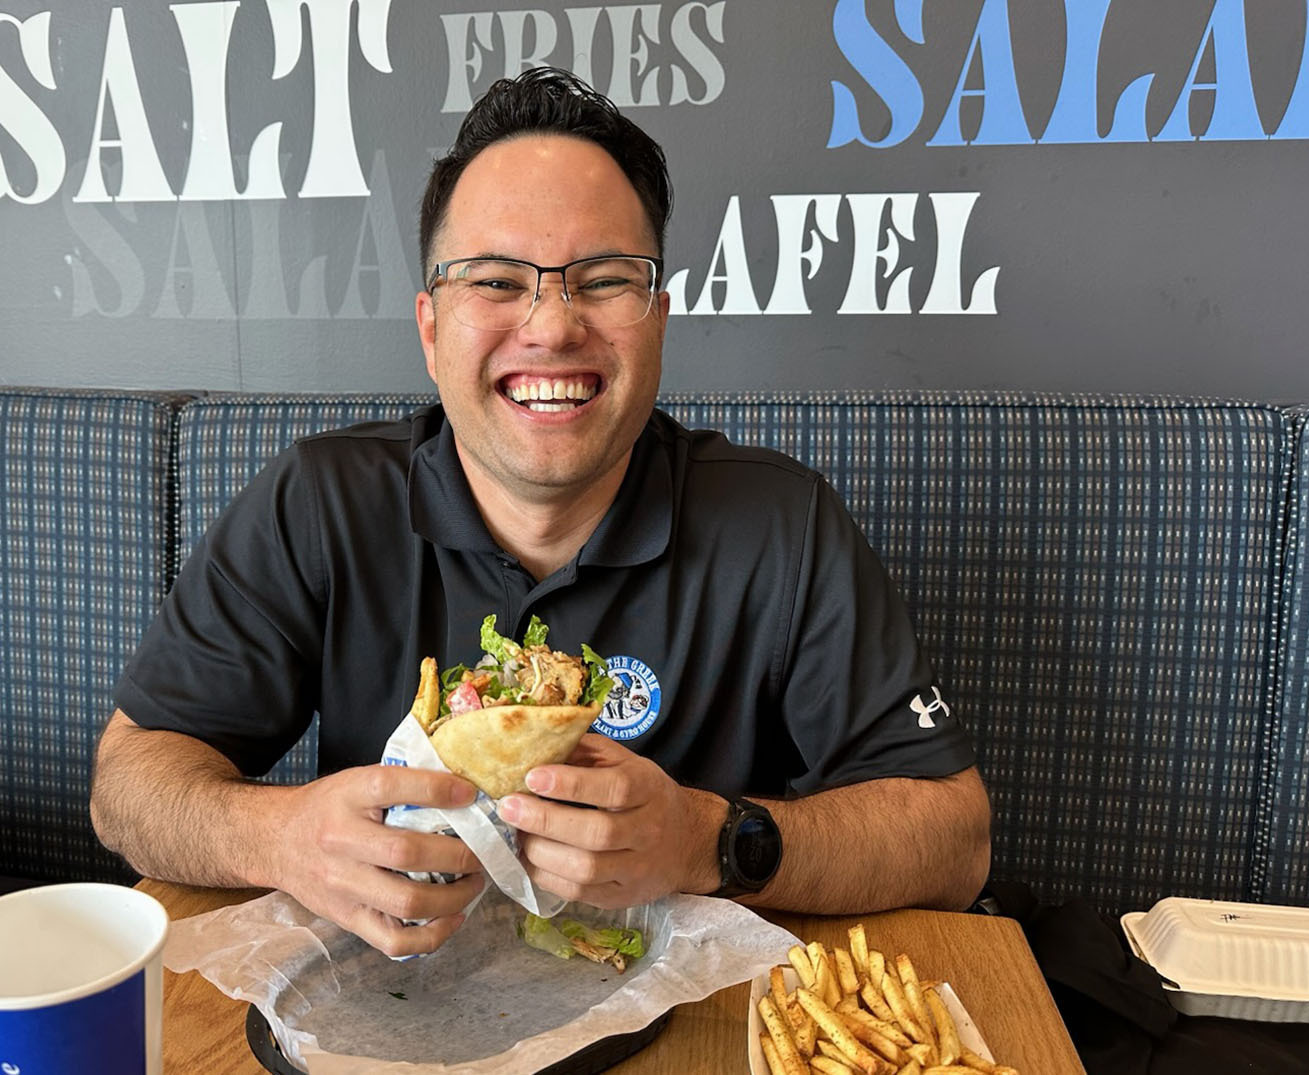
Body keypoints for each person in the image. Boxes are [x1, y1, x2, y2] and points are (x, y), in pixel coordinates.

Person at [91, 67, 991, 957]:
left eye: (603, 279)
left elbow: (955, 839)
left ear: (659, 318)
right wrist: (283, 835)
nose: (553, 327)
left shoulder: (779, 524)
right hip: (388, 997)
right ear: (430, 326)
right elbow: (128, 783)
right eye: (494, 281)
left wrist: (707, 840)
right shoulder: (320, 502)